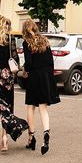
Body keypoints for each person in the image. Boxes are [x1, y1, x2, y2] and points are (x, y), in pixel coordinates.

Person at [0, 16, 28, 151]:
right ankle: (4, 139)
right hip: (6, 75)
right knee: (6, 107)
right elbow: (15, 58)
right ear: (7, 26)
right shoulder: (10, 39)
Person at [21, 19, 60, 155]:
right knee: (43, 108)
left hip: (34, 77)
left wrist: (24, 71)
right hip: (46, 76)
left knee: (31, 106)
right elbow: (50, 61)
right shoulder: (44, 40)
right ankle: (46, 132)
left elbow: (29, 63)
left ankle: (31, 137)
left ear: (25, 30)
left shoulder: (27, 43)